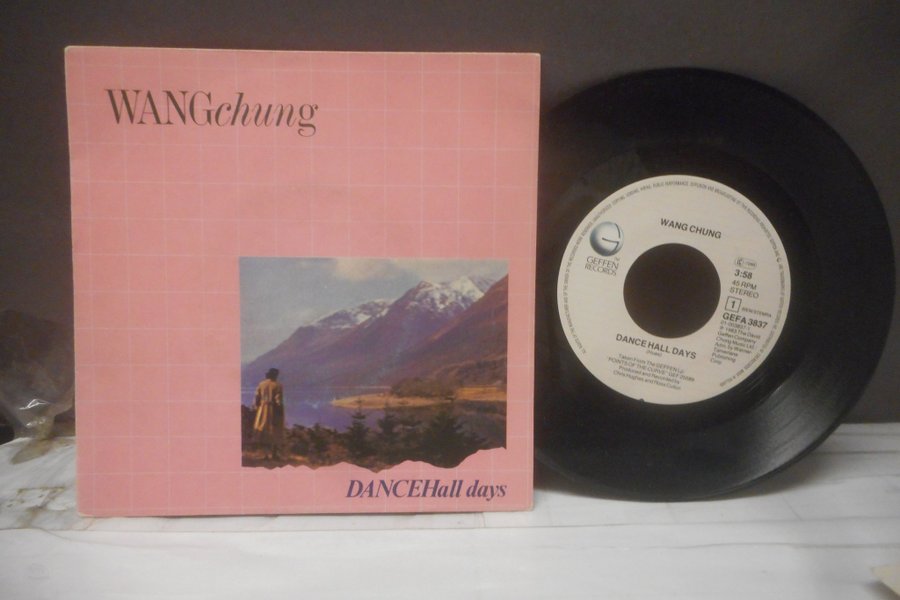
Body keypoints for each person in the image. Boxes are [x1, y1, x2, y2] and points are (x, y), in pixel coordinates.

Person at [253, 368, 285, 460]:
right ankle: (274, 454)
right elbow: (278, 400)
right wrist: (280, 410)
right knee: (275, 430)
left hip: (262, 409)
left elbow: (257, 398)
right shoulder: (278, 385)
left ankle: (265, 454)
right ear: (275, 375)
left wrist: (257, 407)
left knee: (263, 430)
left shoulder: (261, 384)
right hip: (273, 410)